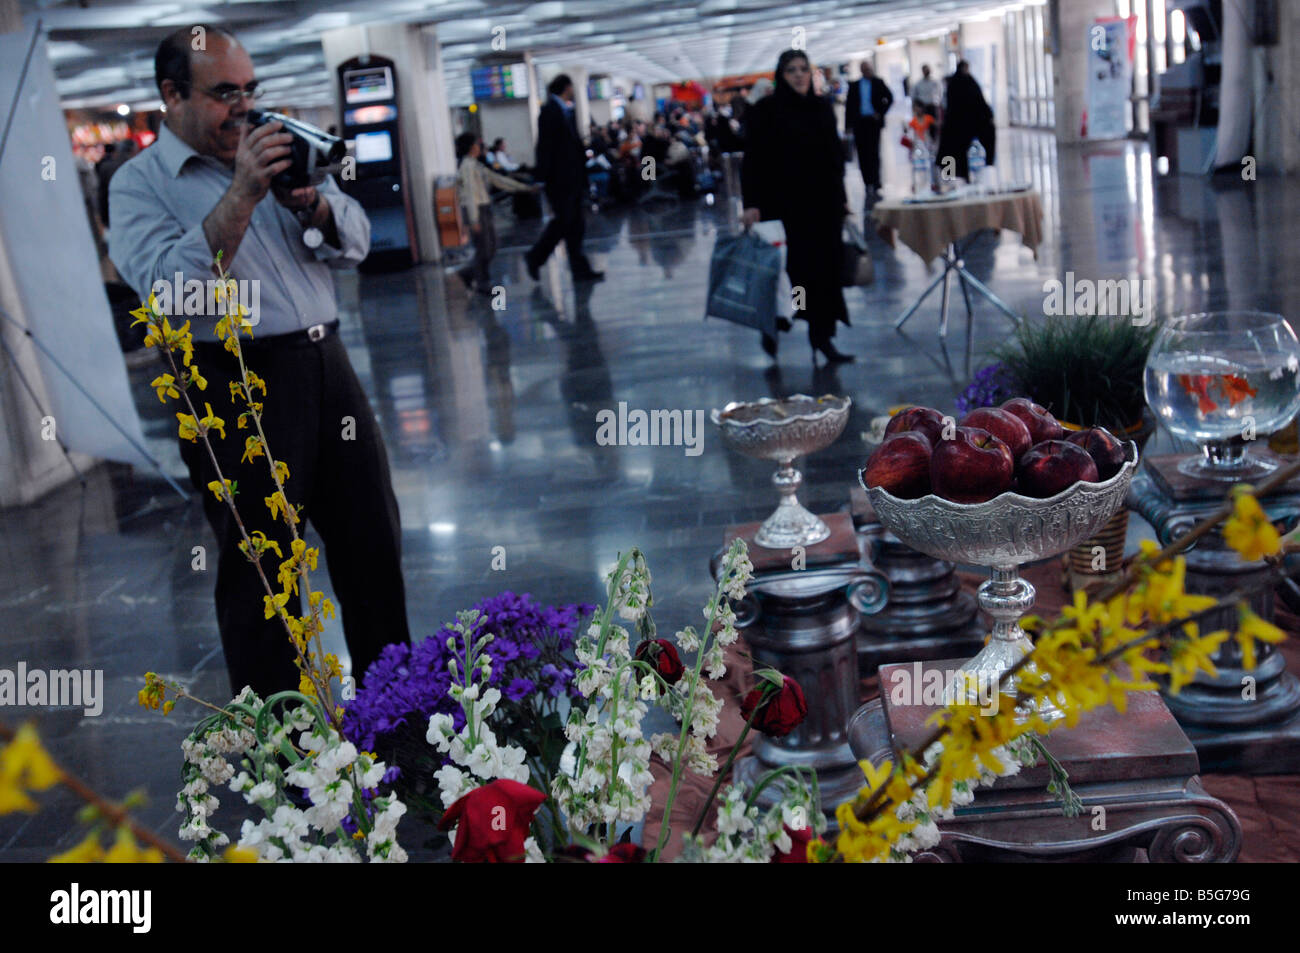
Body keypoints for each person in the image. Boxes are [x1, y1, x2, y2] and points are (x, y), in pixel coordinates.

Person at [108, 24, 410, 698]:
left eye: (250, 90)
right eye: (223, 94)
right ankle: (283, 749)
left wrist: (317, 205)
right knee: (262, 572)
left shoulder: (276, 151)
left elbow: (358, 241)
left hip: (327, 366)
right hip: (232, 382)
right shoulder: (138, 185)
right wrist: (241, 194)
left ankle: (400, 718)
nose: (242, 108)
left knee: (372, 545)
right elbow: (170, 292)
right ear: (171, 94)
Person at [742, 48, 854, 365]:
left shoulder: (821, 108)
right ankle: (776, 325)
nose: (799, 75)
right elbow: (753, 161)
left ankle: (823, 338)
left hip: (823, 207)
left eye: (804, 69)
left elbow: (834, 157)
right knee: (791, 276)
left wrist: (842, 198)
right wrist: (751, 204)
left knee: (824, 274)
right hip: (785, 208)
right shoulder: (767, 110)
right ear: (781, 75)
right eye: (792, 70)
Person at [524, 74, 604, 283]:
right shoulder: (549, 112)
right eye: (572, 87)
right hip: (559, 181)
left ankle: (579, 270)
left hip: (573, 178)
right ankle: (535, 257)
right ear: (566, 87)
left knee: (575, 225)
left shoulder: (566, 111)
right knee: (564, 223)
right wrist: (540, 178)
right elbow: (544, 146)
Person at [455, 133, 537, 293]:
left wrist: (524, 188)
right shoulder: (467, 167)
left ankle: (469, 273)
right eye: (478, 145)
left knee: (491, 246)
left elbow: (498, 180)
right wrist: (473, 219)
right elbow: (469, 194)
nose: (480, 148)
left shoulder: (476, 165)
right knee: (484, 247)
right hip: (476, 210)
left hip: (484, 208)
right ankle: (482, 282)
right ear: (472, 147)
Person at [937, 60, 996, 182]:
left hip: (956, 125)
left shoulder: (954, 83)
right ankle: (976, 175)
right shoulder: (968, 81)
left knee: (955, 153)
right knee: (972, 153)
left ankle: (954, 177)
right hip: (972, 124)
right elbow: (980, 102)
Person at [843, 60, 893, 197]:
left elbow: (889, 98)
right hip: (860, 123)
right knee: (862, 153)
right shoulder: (854, 86)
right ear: (861, 71)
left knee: (874, 152)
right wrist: (848, 126)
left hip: (873, 122)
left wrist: (880, 113)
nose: (867, 71)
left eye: (869, 69)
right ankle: (867, 182)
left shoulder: (878, 82)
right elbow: (849, 107)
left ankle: (876, 181)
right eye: (865, 69)